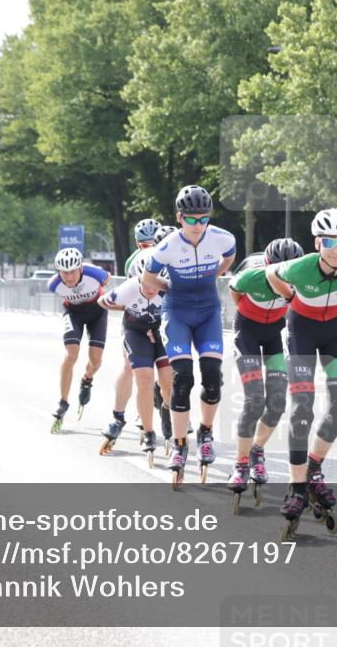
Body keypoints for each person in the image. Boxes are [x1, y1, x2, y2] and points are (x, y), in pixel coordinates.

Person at [265, 207, 337, 540]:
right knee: (302, 409)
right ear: (317, 242)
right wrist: (288, 296)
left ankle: (312, 468)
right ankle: (297, 489)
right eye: (328, 241)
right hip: (301, 329)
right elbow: (272, 275)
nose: (336, 249)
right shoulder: (298, 267)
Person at [142, 185, 237, 487]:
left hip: (208, 311)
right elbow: (147, 278)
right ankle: (181, 444)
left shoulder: (223, 238)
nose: (198, 225)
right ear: (179, 217)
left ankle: (206, 433)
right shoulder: (166, 246)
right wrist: (169, 287)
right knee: (182, 378)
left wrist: (215, 275)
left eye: (203, 219)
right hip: (178, 312)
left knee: (212, 375)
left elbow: (230, 257)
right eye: (191, 219)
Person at [227, 237, 305, 511]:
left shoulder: (299, 279)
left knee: (277, 403)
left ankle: (257, 450)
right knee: (254, 399)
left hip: (274, 335)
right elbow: (233, 290)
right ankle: (240, 463)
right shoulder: (252, 275)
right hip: (247, 331)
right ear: (268, 266)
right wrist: (246, 312)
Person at [97, 254, 172, 463]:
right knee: (144, 380)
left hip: (161, 331)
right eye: (146, 283)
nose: (150, 289)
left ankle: (166, 410)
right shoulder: (128, 288)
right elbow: (102, 301)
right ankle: (147, 431)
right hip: (135, 332)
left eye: (155, 284)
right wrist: (124, 306)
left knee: (169, 382)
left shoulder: (169, 288)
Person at [108, 218, 162, 440]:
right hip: (136, 318)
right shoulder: (133, 263)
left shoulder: (170, 256)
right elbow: (129, 297)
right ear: (138, 245)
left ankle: (156, 399)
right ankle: (118, 416)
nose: (149, 249)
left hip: (161, 318)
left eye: (154, 243)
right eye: (144, 245)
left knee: (165, 367)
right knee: (130, 366)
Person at [49, 247, 111, 432]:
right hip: (73, 313)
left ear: (81, 269)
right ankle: (63, 402)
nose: (68, 277)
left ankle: (87, 379)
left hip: (97, 313)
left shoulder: (95, 274)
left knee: (96, 361)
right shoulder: (53, 284)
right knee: (71, 355)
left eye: (72, 272)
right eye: (64, 273)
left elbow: (107, 278)